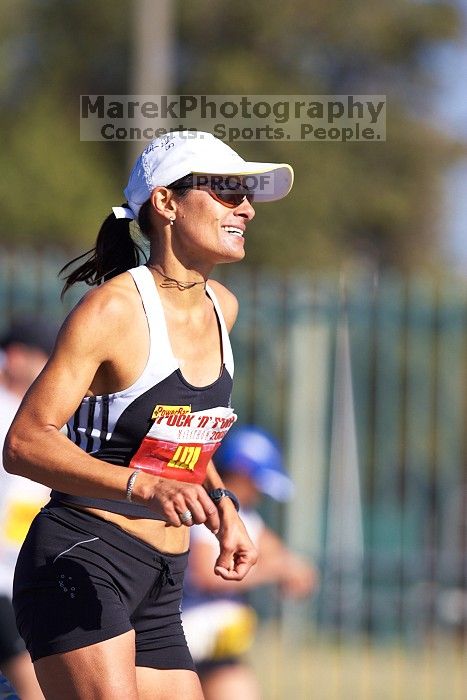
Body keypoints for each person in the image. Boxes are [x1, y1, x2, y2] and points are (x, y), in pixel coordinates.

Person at [3, 130, 294, 699]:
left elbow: (183, 439)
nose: (247, 209)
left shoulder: (222, 308)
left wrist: (223, 508)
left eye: (247, 195)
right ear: (165, 203)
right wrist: (144, 488)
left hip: (162, 578)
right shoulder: (112, 309)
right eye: (228, 192)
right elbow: (24, 443)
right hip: (83, 557)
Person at [182, 425, 318, 700]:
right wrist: (277, 569)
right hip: (181, 647)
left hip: (220, 653)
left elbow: (279, 556)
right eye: (257, 484)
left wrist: (295, 571)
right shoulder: (205, 510)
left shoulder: (249, 517)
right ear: (239, 474)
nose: (258, 493)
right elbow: (208, 574)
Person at [0, 318, 59, 700]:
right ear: (17, 357)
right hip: (2, 583)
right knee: (32, 681)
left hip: (20, 579)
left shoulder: (31, 414)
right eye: (44, 359)